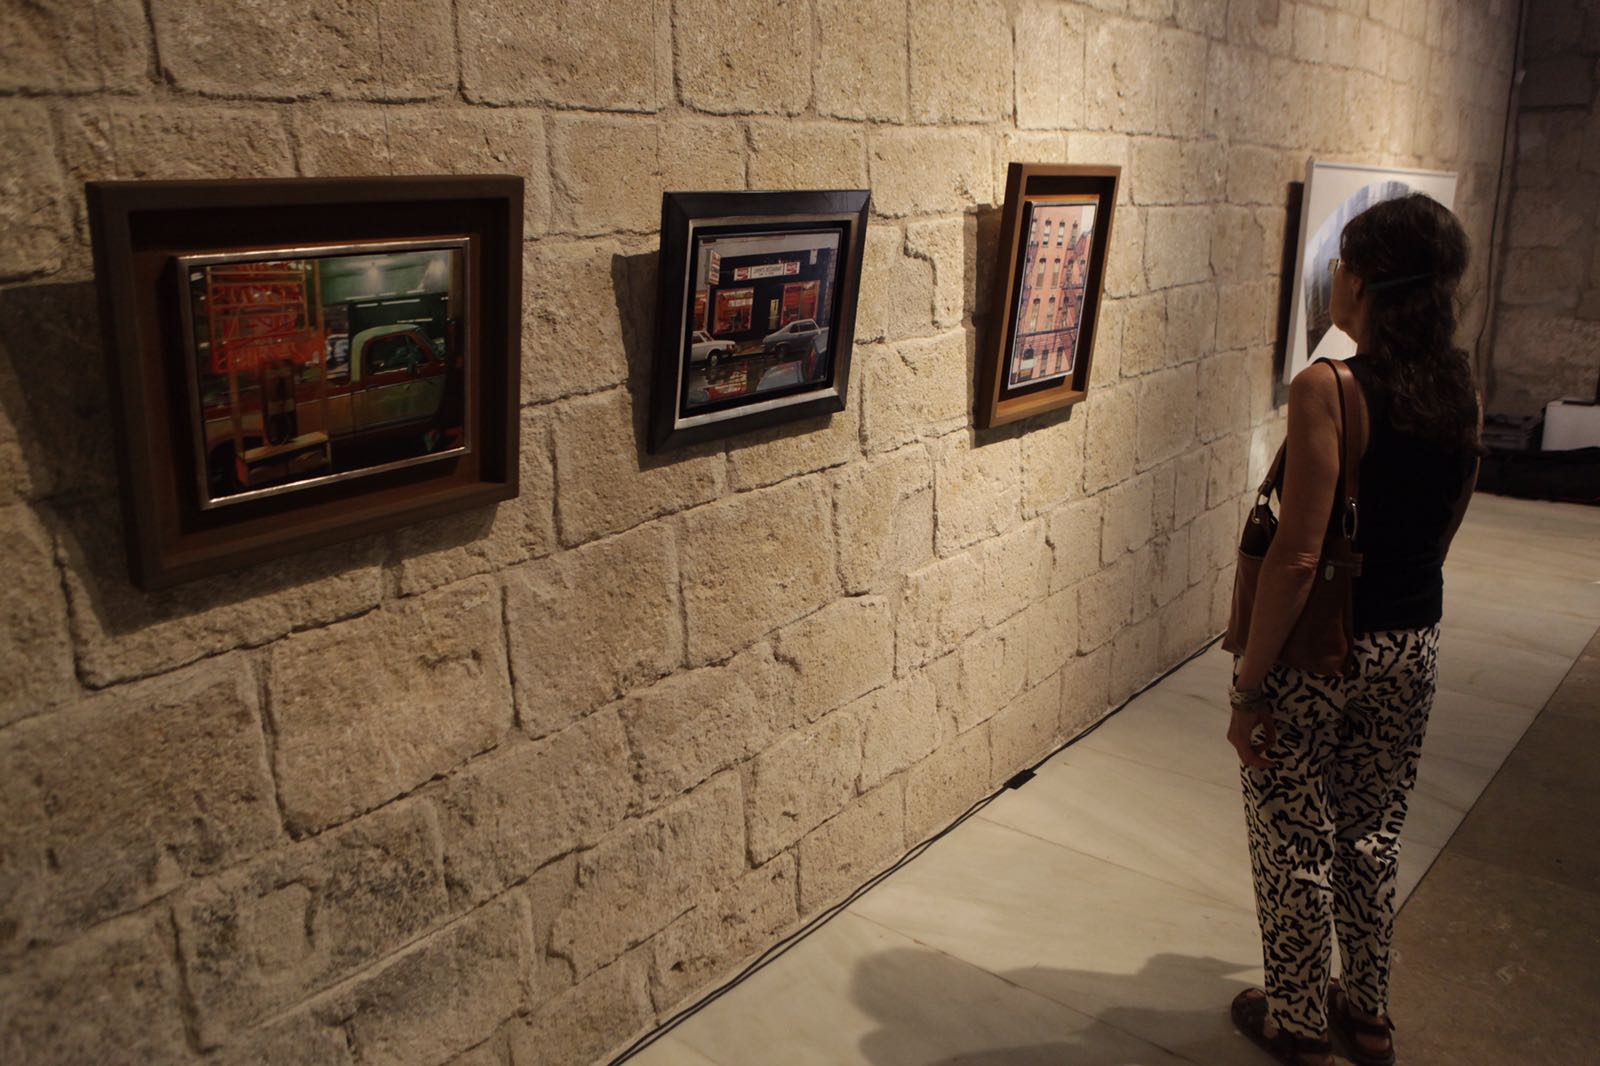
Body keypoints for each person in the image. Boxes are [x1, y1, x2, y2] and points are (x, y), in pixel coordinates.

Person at [1225, 193, 1484, 1066]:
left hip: (1322, 653)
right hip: (1414, 640)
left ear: (1364, 282)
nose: (1335, 276)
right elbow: (1447, 523)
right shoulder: (1461, 386)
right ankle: (1368, 1016)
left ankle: (1297, 1021)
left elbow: (1299, 559)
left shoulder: (1327, 387)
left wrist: (1250, 685)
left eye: (1342, 263)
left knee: (1294, 835)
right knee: (1373, 831)